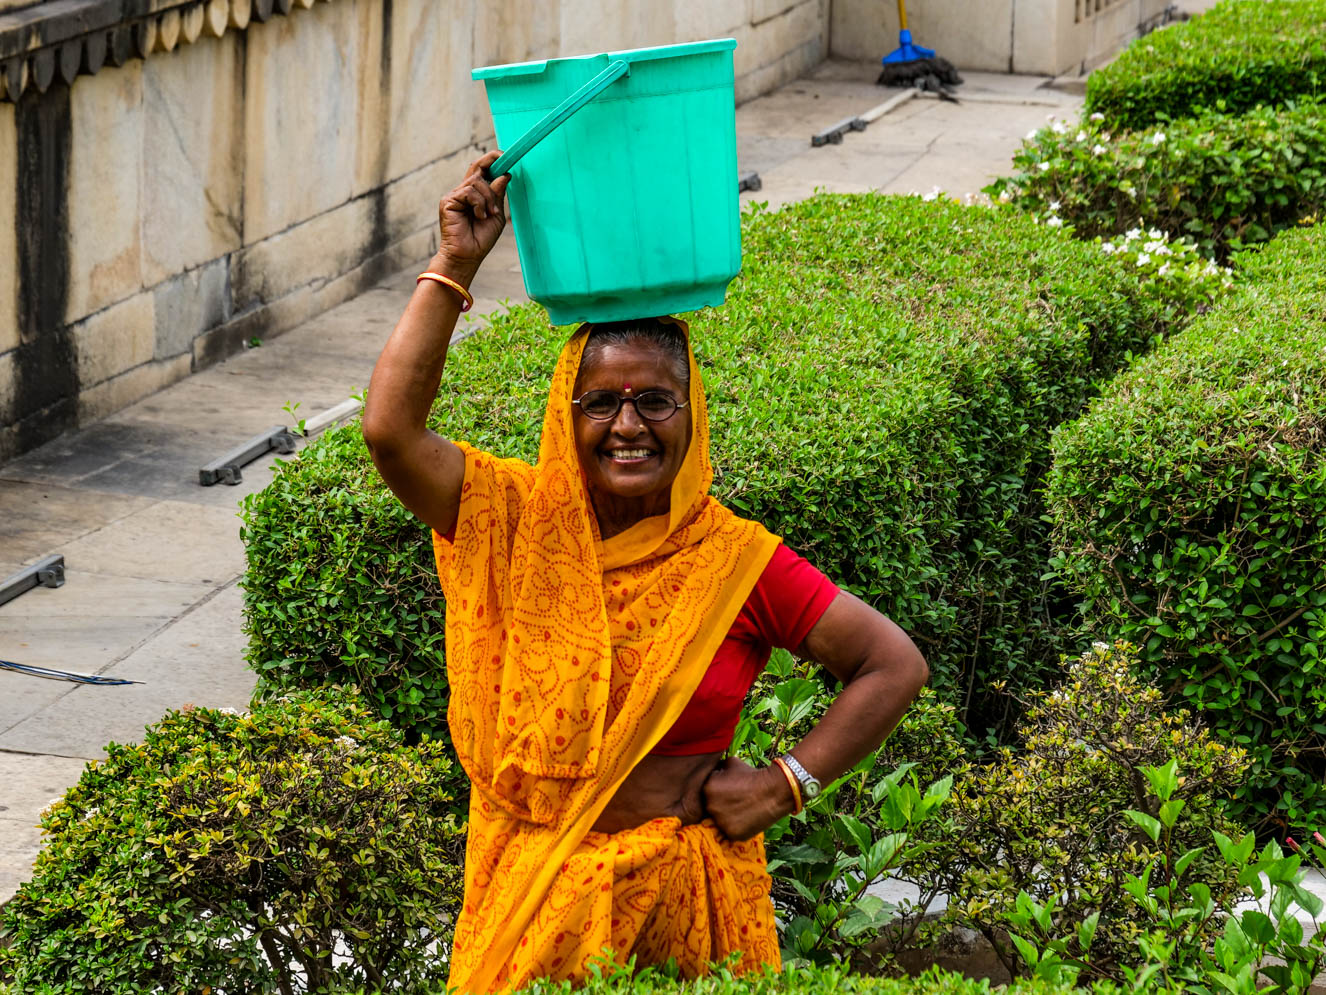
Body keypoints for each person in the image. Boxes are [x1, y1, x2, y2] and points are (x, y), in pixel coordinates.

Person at [361, 151, 930, 994]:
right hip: (530, 891)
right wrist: (453, 265)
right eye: (602, 402)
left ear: (691, 415)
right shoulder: (509, 518)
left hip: (683, 907)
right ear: (568, 413)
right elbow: (390, 434)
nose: (628, 424)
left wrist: (783, 785)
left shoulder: (733, 559)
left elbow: (893, 664)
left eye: (655, 400)